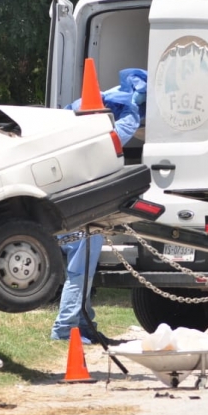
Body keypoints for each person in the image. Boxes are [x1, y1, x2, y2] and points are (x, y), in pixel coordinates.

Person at [50, 68, 146, 345]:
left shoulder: (72, 126)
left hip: (69, 208)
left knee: (80, 268)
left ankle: (82, 323)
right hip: (82, 212)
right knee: (80, 270)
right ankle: (67, 328)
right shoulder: (104, 133)